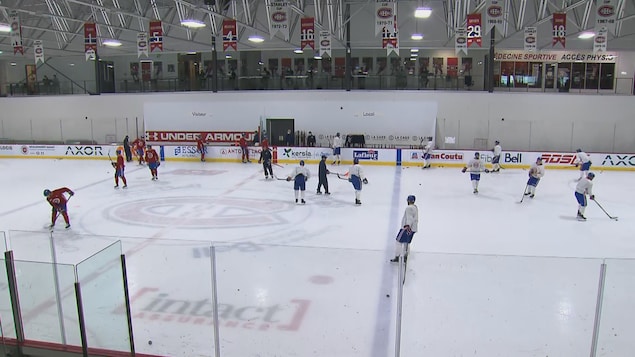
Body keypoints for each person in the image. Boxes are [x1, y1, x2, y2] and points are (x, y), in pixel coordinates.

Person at [390, 195, 418, 263]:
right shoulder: (415, 207)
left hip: (407, 228)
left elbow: (410, 218)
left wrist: (407, 226)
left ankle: (398, 256)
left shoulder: (409, 208)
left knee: (398, 241)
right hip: (413, 228)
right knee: (407, 242)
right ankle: (406, 255)